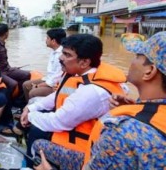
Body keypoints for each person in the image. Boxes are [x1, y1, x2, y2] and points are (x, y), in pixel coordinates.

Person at [34, 31, 166, 170]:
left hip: (87, 153)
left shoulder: (121, 132)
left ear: (149, 71)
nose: (131, 61)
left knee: (38, 145)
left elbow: (60, 121)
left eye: (137, 56)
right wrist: (132, 108)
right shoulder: (143, 110)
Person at [20, 34, 127, 168]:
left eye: (67, 54)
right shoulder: (83, 74)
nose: (60, 57)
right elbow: (59, 95)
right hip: (73, 123)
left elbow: (59, 121)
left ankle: (30, 165)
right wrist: (32, 108)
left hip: (85, 151)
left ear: (84, 62)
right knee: (35, 107)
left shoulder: (91, 91)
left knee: (36, 135)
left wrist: (29, 116)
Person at [22, 28, 66, 102]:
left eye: (47, 38)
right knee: (26, 85)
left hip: (55, 85)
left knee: (33, 92)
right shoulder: (54, 51)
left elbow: (56, 77)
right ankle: (28, 105)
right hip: (48, 79)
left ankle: (31, 109)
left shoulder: (61, 55)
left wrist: (39, 86)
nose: (46, 40)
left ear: (53, 41)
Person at [0, 23, 31, 101]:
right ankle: (8, 101)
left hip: (7, 69)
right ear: (6, 33)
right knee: (13, 84)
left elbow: (3, 61)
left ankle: (19, 98)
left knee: (26, 75)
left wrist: (12, 68)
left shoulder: (1, 42)